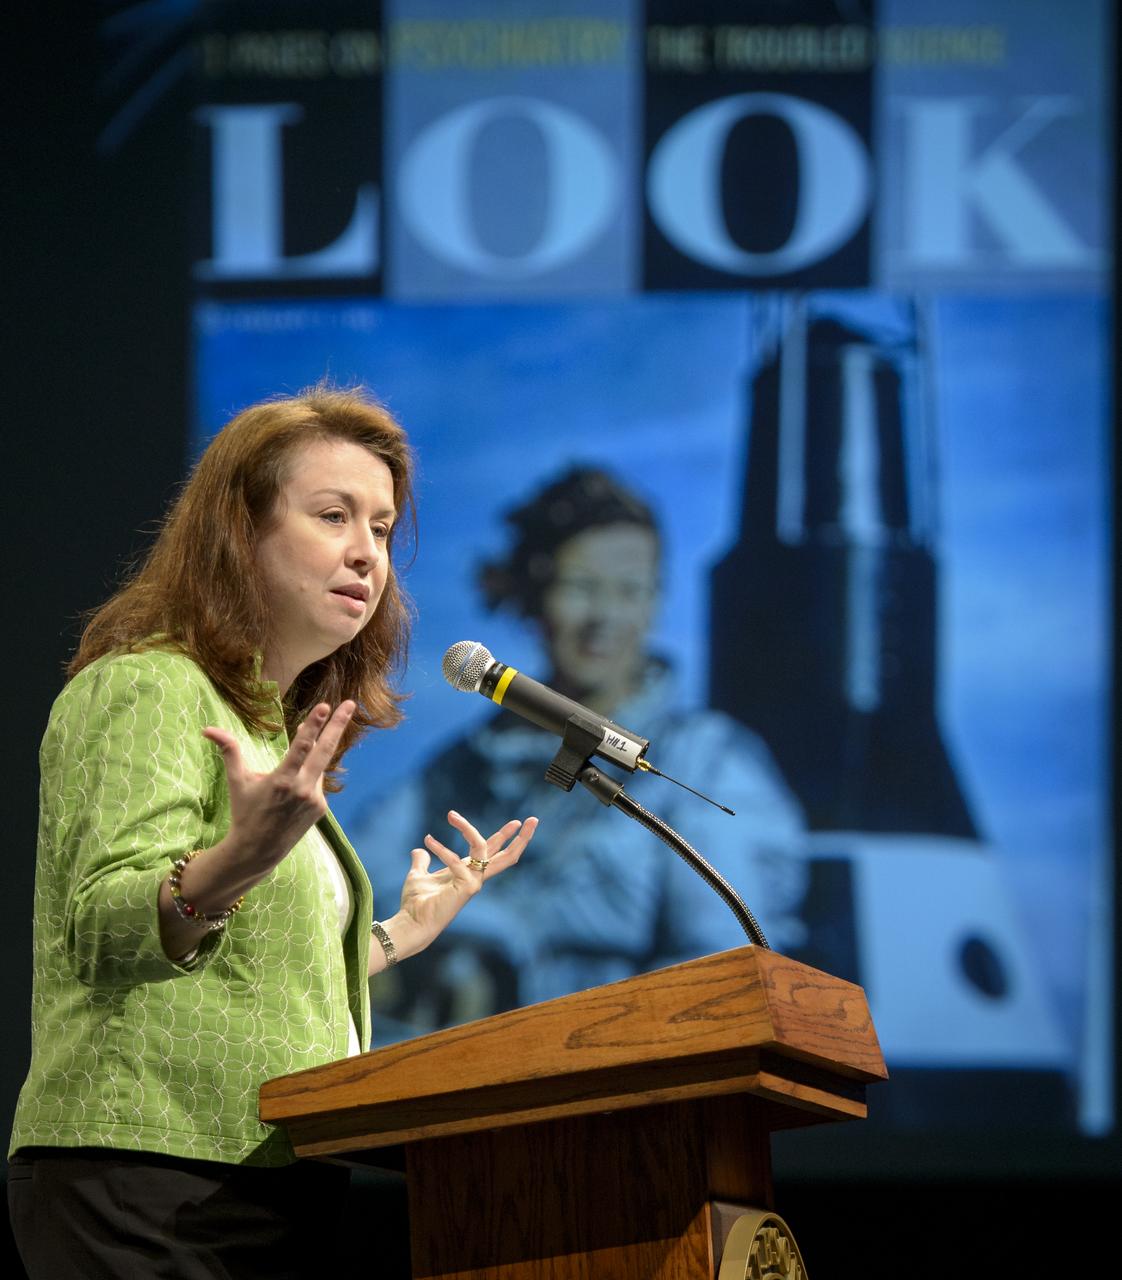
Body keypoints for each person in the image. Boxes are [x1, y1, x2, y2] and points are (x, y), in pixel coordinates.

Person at [6, 385, 538, 1278]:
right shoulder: (148, 687)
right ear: (238, 532)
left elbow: (248, 964)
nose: (366, 554)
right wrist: (236, 860)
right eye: (333, 516)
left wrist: (399, 935)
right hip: (144, 1173)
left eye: (381, 527)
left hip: (269, 1177)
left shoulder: (268, 730)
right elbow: (99, 929)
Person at [350, 466, 806, 1041]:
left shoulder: (707, 762)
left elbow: (723, 973)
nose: (604, 618)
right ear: (535, 594)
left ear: (655, 602)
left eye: (630, 589)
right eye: (583, 587)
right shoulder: (461, 767)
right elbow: (349, 885)